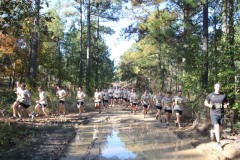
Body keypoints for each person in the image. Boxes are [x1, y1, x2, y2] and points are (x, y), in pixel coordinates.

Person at [204, 83, 228, 151]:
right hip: (213, 113)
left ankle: (212, 131)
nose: (218, 88)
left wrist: (226, 105)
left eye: (219, 87)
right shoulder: (210, 95)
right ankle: (218, 143)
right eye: (217, 87)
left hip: (221, 113)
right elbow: (205, 102)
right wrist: (209, 105)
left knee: (220, 129)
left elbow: (226, 102)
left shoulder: (223, 95)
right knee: (217, 126)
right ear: (214, 87)